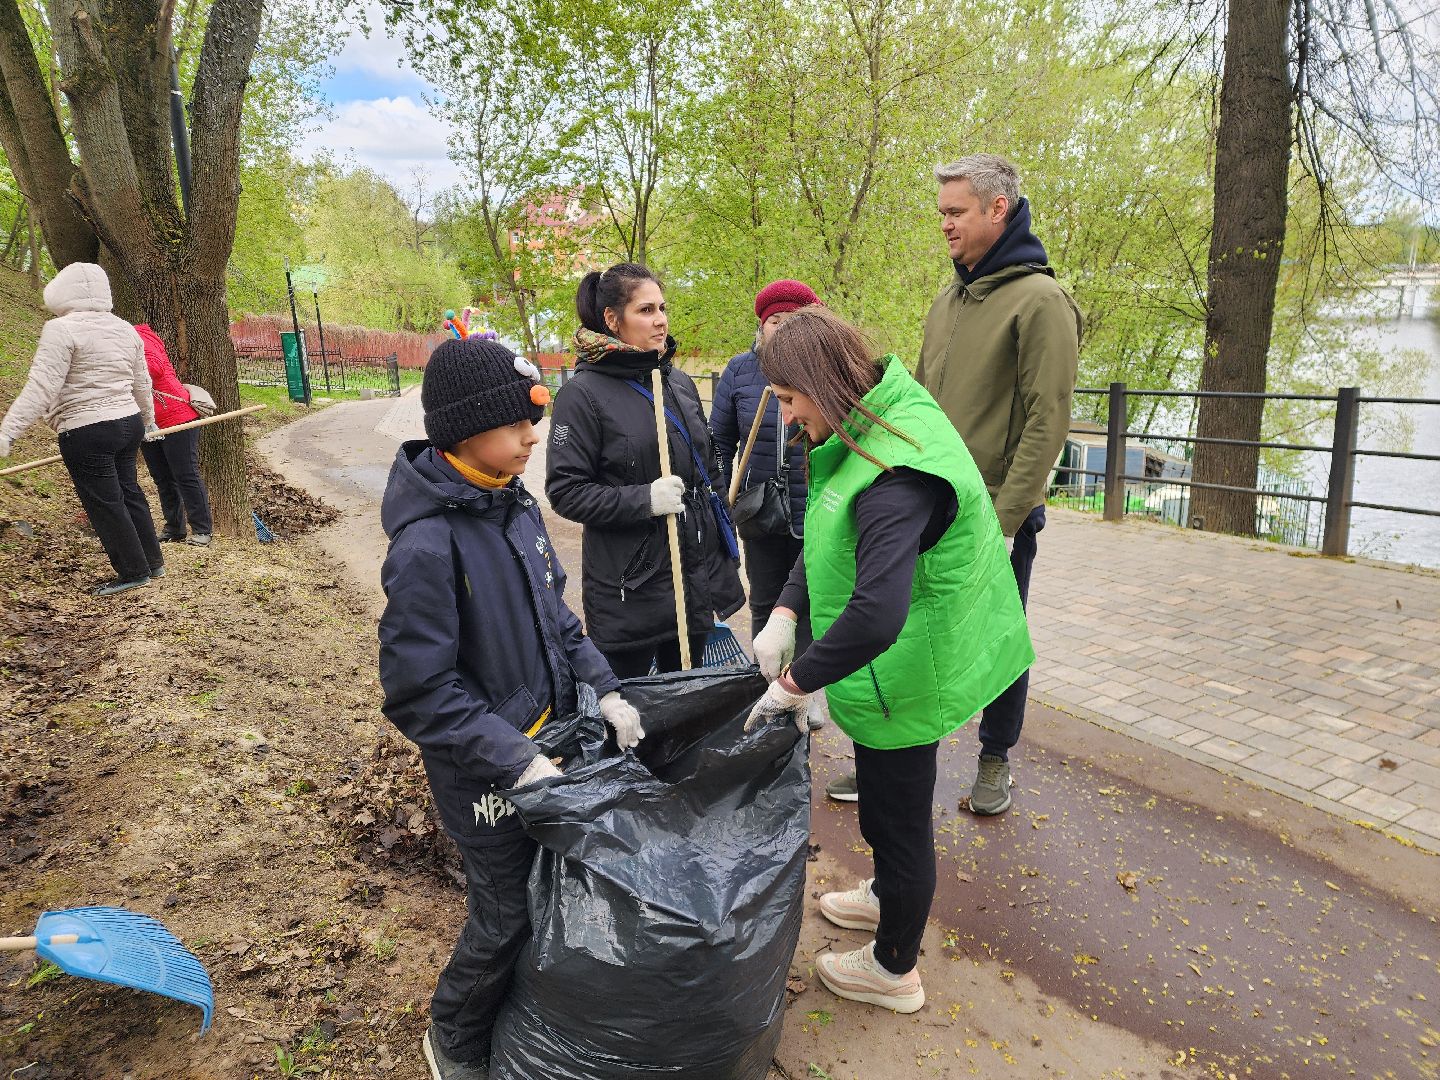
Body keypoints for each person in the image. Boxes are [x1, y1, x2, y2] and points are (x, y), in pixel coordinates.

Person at [745, 306, 1033, 1014]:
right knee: (879, 797)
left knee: (901, 821)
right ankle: (883, 897)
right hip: (884, 665)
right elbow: (827, 536)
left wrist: (792, 685)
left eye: (787, 399)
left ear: (821, 381)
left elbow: (876, 614)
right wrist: (785, 611)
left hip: (908, 664)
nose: (784, 419)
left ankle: (894, 966)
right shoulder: (866, 422)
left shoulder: (898, 472)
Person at [378, 337, 645, 1080]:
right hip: (486, 777)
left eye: (536, 422)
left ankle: (523, 1009)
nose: (536, 437)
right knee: (505, 914)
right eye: (519, 426)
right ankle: (452, 1036)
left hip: (547, 745)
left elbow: (558, 620)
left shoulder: (514, 507)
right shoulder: (427, 547)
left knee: (545, 886)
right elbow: (417, 690)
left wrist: (607, 687)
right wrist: (514, 759)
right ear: (465, 431)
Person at [826, 154, 1081, 814]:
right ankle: (896, 758)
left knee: (997, 637)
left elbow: (1045, 421)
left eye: (955, 212)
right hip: (922, 503)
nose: (944, 225)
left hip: (993, 515)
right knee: (911, 634)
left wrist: (1006, 518)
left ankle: (995, 759)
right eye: (941, 212)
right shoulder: (948, 300)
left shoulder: (1042, 301)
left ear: (998, 209)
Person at [545, 262, 745, 677]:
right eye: (646, 310)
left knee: (686, 700)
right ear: (612, 320)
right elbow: (565, 490)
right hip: (630, 585)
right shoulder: (581, 395)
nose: (661, 320)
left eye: (662, 308)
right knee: (634, 709)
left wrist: (723, 524)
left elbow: (707, 465)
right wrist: (645, 499)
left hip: (690, 574)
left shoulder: (677, 382)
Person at [0, 262, 164, 595]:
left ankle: (133, 572)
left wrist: (8, 432)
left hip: (87, 429)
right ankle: (153, 561)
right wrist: (148, 420)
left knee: (106, 502)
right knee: (129, 491)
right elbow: (142, 380)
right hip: (128, 423)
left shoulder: (62, 328)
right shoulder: (124, 328)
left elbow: (41, 387)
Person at [711, 279, 815, 658]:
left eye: (793, 320)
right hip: (758, 508)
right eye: (776, 321)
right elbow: (718, 442)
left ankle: (800, 688)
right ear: (761, 326)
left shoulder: (820, 369)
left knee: (808, 603)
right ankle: (764, 682)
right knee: (766, 601)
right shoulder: (740, 371)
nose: (783, 328)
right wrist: (723, 493)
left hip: (813, 506)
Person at [136, 324, 214, 546]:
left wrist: (119, 366)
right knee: (162, 477)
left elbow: (155, 368)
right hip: (147, 421)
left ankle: (202, 529)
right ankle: (174, 527)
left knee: (185, 473)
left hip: (177, 416)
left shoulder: (140, 336)